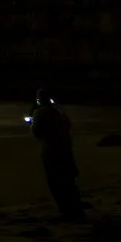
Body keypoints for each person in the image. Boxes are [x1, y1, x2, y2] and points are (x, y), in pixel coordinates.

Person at [27, 90, 86, 220]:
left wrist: (31, 123)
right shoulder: (60, 111)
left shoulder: (40, 113)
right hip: (66, 148)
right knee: (69, 179)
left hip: (51, 150)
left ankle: (66, 210)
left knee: (55, 181)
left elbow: (36, 132)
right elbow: (68, 126)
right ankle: (76, 207)